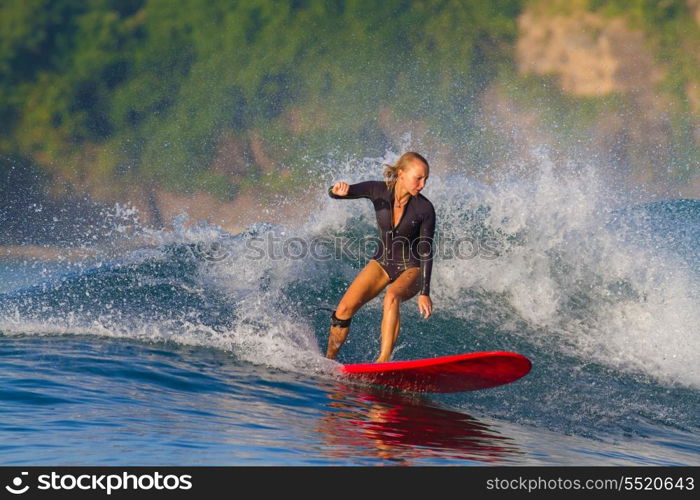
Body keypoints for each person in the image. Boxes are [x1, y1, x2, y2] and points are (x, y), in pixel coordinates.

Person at [326, 152, 436, 363]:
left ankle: (383, 360)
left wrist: (425, 292)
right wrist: (336, 190)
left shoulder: (425, 209)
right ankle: (329, 362)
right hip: (383, 261)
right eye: (418, 178)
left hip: (411, 267)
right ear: (401, 174)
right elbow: (341, 193)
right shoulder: (378, 190)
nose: (422, 184)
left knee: (392, 295)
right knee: (343, 311)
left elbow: (426, 250)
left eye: (426, 179)